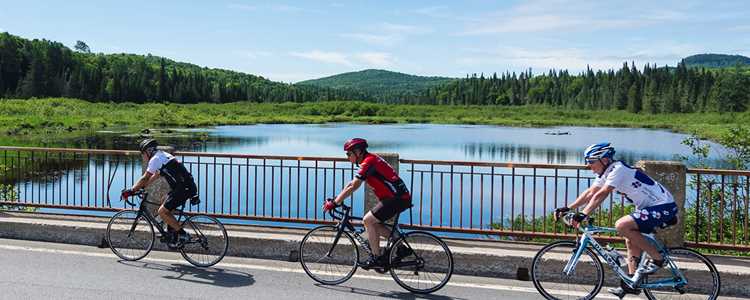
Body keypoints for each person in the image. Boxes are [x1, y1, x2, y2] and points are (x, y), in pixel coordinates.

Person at [554, 142, 678, 298]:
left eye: (591, 161)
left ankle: (658, 259)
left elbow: (603, 193)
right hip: (651, 208)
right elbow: (591, 192)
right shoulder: (606, 173)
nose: (588, 165)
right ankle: (632, 283)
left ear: (604, 160)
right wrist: (568, 208)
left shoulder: (618, 169)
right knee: (630, 239)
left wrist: (583, 214)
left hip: (664, 206)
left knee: (622, 225)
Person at [323, 138, 413, 269]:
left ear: (358, 152)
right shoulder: (369, 160)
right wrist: (336, 199)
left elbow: (354, 186)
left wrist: (335, 203)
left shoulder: (369, 162)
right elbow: (350, 184)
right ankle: (400, 246)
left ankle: (376, 258)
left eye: (349, 154)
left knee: (368, 220)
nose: (347, 157)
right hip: (396, 197)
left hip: (397, 198)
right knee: (372, 223)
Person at [121, 139, 198, 247]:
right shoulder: (162, 155)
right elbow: (156, 175)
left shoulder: (155, 159)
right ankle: (173, 235)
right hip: (185, 186)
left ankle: (183, 235)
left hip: (183, 188)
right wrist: (144, 188)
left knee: (162, 212)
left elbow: (145, 177)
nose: (143, 156)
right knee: (164, 201)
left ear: (148, 151)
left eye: (143, 154)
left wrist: (131, 190)